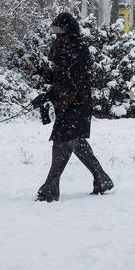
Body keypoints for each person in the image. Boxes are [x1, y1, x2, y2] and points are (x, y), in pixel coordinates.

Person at [30, 12, 114, 201]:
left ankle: (50, 189)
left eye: (58, 31)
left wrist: (48, 95)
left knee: (62, 143)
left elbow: (71, 83)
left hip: (76, 104)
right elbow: (61, 78)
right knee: (76, 144)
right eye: (55, 32)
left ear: (68, 30)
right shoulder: (67, 49)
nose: (56, 35)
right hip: (72, 105)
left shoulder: (75, 50)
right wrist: (40, 71)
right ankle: (102, 180)